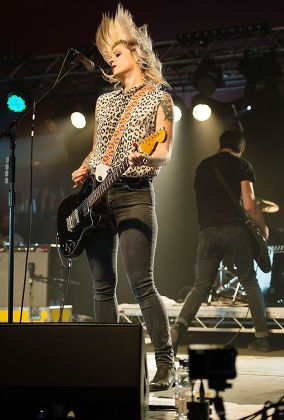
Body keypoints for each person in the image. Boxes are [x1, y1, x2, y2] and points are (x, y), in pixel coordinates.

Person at [71, 4, 175, 390]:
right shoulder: (104, 101)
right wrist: (84, 166)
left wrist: (145, 155)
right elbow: (99, 148)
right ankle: (107, 362)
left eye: (116, 52)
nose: (109, 60)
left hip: (134, 194)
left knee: (141, 282)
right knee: (101, 285)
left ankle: (165, 364)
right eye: (106, 55)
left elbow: (165, 152)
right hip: (97, 197)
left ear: (136, 51)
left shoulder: (160, 97)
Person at [171, 129, 272, 354]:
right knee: (249, 280)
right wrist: (263, 228)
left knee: (201, 285)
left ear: (220, 145)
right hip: (235, 230)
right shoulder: (242, 165)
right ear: (241, 148)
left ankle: (179, 326)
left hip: (207, 231)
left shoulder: (203, 166)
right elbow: (249, 204)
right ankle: (262, 338)